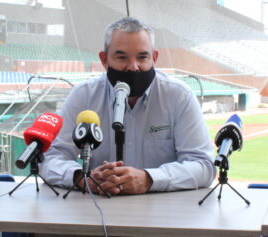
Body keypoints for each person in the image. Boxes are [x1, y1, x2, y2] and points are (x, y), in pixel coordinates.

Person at [40, 17, 215, 194]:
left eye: (142, 57)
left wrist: (149, 179)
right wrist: (81, 178)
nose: (133, 67)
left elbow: (204, 166)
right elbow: (50, 159)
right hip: (100, 208)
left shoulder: (179, 96)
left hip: (162, 212)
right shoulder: (83, 96)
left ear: (154, 58)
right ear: (104, 60)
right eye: (122, 57)